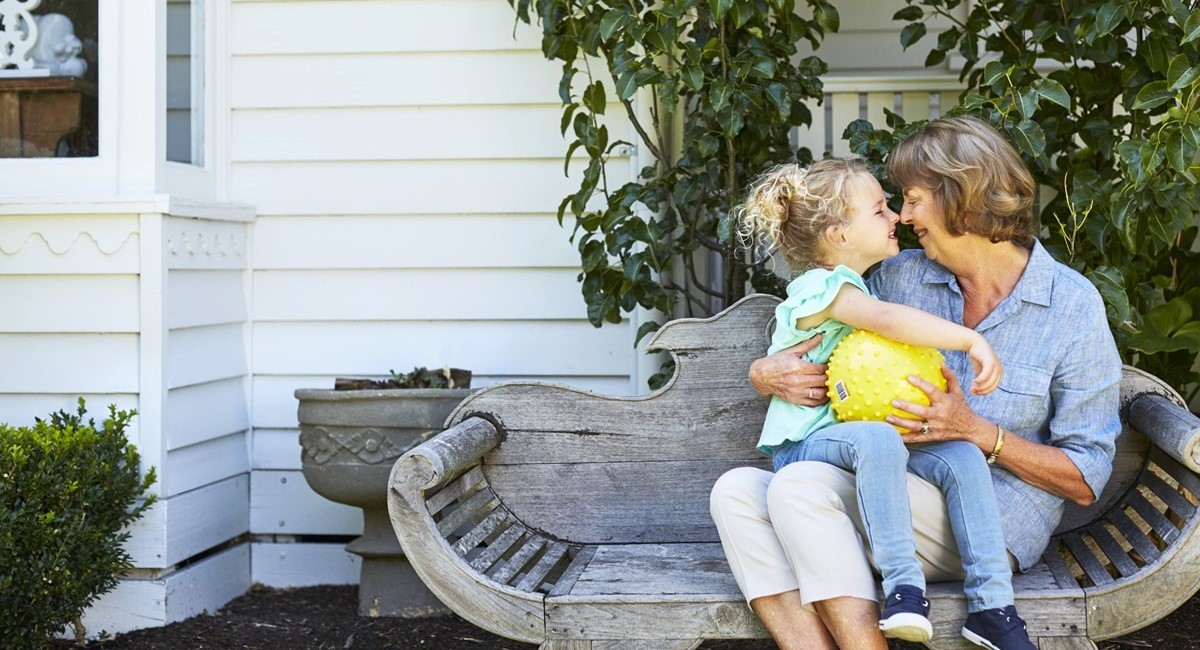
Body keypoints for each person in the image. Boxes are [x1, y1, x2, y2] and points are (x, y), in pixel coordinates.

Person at [710, 115, 1123, 650]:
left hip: (984, 521)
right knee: (736, 493)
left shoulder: (1071, 306)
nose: (902, 217)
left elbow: (1087, 477)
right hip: (883, 492)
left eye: (911, 199)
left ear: (961, 200)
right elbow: (814, 320)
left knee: (796, 487)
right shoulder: (897, 277)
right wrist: (764, 373)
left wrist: (980, 433)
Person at [731, 157, 1021, 647]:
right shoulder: (822, 288)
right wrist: (970, 341)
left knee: (962, 456)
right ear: (839, 234)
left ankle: (994, 607)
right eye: (880, 209)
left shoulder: (859, 281)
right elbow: (885, 319)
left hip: (855, 447)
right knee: (878, 437)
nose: (895, 218)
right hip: (804, 449)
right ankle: (903, 586)